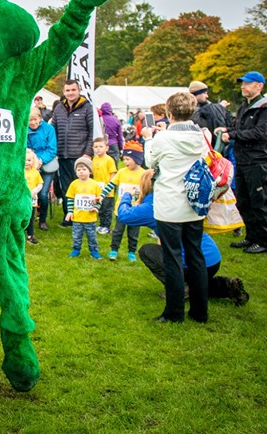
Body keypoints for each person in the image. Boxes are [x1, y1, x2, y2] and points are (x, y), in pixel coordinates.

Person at [118, 169, 250, 308]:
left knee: (147, 251)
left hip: (192, 260)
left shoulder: (152, 206)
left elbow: (124, 215)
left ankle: (180, 288)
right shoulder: (178, 199)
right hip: (212, 256)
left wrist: (127, 195)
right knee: (197, 283)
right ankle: (227, 286)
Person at [142, 92, 208, 323]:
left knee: (173, 258)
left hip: (170, 203)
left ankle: (174, 312)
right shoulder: (201, 135)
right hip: (194, 202)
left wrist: (149, 139)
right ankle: (200, 311)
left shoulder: (163, 138)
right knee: (195, 255)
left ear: (170, 113)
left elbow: (150, 162)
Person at [223, 71, 267, 254]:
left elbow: (260, 133)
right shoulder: (244, 107)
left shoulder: (263, 107)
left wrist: (232, 135)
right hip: (242, 160)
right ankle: (251, 236)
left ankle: (263, 241)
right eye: (242, 83)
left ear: (259, 86)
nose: (243, 86)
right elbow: (238, 128)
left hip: (258, 161)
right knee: (244, 201)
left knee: (259, 202)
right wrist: (226, 130)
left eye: (248, 83)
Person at [50, 79, 94, 225]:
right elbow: (53, 131)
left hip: (80, 156)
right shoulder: (59, 108)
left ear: (79, 90)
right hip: (62, 155)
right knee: (66, 188)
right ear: (64, 92)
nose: (70, 93)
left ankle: (83, 218)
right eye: (67, 90)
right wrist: (54, 151)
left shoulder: (87, 108)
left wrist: (88, 153)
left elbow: (92, 132)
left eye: (73, 90)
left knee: (82, 187)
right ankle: (68, 217)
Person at [98, 141, 145, 262]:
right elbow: (111, 184)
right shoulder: (122, 172)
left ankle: (131, 252)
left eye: (128, 159)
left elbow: (147, 191)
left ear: (137, 159)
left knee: (133, 233)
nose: (125, 162)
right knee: (117, 231)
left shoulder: (143, 174)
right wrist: (102, 195)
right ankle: (114, 250)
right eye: (124, 159)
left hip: (136, 210)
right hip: (121, 210)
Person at [26, 107, 57, 231]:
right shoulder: (25, 129)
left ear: (40, 118)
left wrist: (40, 160)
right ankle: (27, 219)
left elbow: (52, 149)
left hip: (46, 164)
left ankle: (42, 220)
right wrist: (33, 160)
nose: (33, 123)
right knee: (30, 192)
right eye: (30, 120)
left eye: (35, 119)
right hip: (30, 163)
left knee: (43, 194)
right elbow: (25, 147)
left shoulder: (49, 129)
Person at [64, 157, 102, 259]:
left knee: (92, 236)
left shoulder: (95, 185)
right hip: (77, 217)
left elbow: (99, 199)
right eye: (78, 170)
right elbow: (70, 199)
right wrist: (70, 212)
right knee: (76, 235)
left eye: (84, 169)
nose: (81, 172)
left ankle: (94, 251)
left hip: (90, 217)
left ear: (90, 171)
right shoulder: (74, 184)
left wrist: (96, 207)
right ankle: (76, 249)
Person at [91, 138, 118, 234]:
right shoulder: (94, 159)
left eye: (100, 146)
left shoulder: (109, 160)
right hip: (97, 190)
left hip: (107, 191)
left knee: (107, 209)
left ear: (106, 148)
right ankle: (101, 224)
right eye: (96, 147)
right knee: (100, 208)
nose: (98, 149)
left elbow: (113, 173)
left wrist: (109, 186)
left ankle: (106, 226)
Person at [24, 149, 43, 245]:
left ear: (33, 161)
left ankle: (30, 236)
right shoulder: (20, 171)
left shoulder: (36, 172)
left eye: (29, 160)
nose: (27, 162)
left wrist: (34, 191)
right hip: (22, 198)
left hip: (32, 199)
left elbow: (40, 184)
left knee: (31, 217)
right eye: (25, 160)